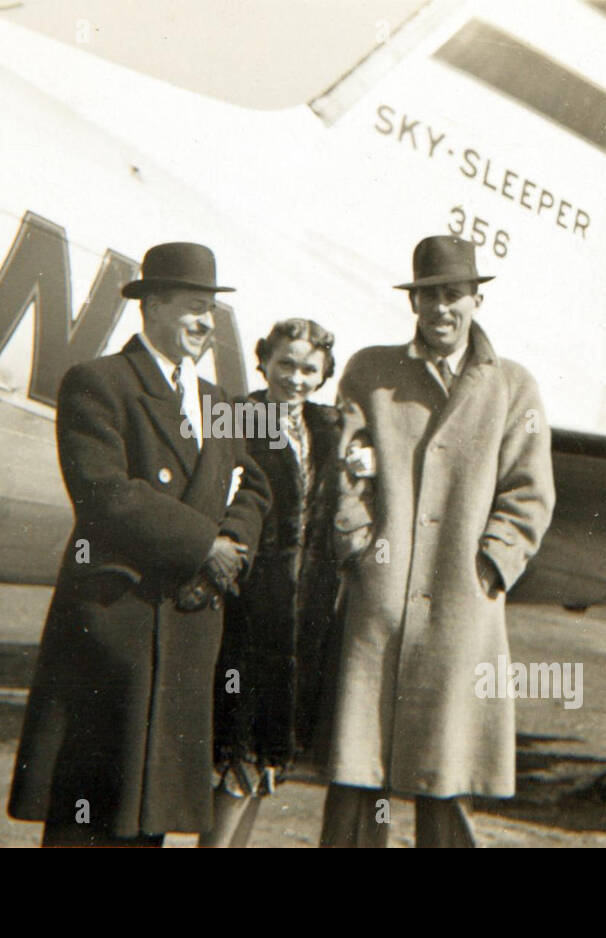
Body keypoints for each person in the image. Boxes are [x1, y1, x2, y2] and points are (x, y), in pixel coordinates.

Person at [7, 242, 271, 847]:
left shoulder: (220, 403)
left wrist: (235, 540)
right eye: (194, 307)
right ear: (151, 305)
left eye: (212, 310)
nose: (207, 323)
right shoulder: (97, 383)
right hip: (114, 628)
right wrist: (206, 543)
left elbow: (255, 487)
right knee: (91, 810)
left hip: (186, 627)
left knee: (147, 817)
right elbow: (104, 492)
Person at [321, 235, 555, 848]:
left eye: (454, 295)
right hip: (382, 599)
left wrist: (492, 566)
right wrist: (358, 549)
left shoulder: (514, 387)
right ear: (414, 304)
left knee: (445, 773)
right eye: (429, 297)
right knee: (358, 769)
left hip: (460, 603)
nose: (441, 309)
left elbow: (530, 492)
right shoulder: (371, 373)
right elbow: (344, 472)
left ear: (477, 300)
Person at [201, 318, 344, 848]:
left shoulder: (327, 427)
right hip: (247, 604)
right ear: (263, 360)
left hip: (306, 609)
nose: (296, 378)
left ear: (324, 373)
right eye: (286, 364)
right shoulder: (236, 416)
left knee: (268, 756)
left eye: (310, 368)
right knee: (236, 746)